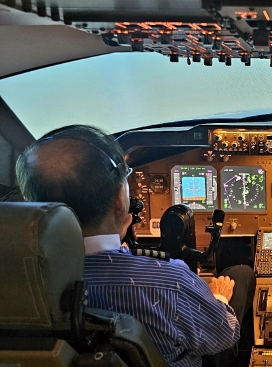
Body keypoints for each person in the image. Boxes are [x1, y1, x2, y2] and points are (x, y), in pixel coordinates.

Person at [15, 125, 255, 367]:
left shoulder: (17, 285)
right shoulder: (171, 282)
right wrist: (218, 298)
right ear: (120, 199)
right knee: (239, 275)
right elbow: (223, 335)